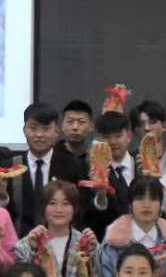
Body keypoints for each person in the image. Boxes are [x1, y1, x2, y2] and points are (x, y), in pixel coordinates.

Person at [8, 102, 83, 236]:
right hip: (19, 241)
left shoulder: (72, 164)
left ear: (56, 131)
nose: (39, 135)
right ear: (24, 130)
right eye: (33, 128)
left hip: (60, 239)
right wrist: (2, 197)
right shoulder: (11, 166)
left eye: (46, 129)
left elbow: (80, 208)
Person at [82, 110, 136, 236]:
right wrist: (101, 195)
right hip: (107, 239)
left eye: (118, 136)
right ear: (99, 139)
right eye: (106, 137)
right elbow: (88, 215)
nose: (113, 142)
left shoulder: (143, 165)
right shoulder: (90, 170)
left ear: (128, 136)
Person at [130, 100, 166, 172]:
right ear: (134, 131)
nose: (147, 128)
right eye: (141, 124)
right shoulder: (128, 163)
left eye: (152, 122)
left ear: (164, 126)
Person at [55, 99, 95, 177]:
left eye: (81, 122)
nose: (75, 127)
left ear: (91, 126)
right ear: (62, 125)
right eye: (70, 121)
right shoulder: (51, 155)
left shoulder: (95, 157)